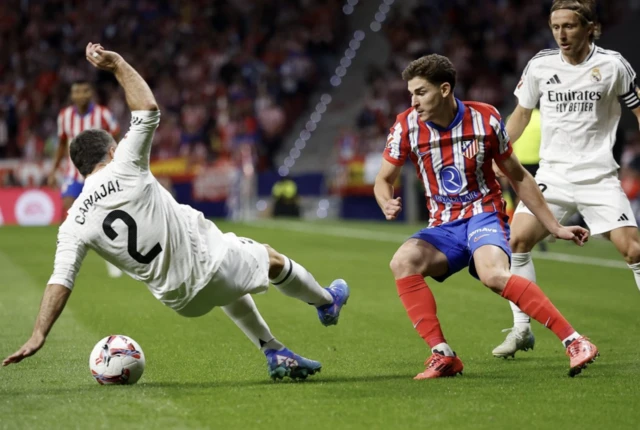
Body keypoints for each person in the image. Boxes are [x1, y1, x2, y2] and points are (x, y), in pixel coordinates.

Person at [2, 44, 350, 381]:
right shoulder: (124, 163)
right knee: (270, 259)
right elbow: (148, 108)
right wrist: (118, 64)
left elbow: (59, 282)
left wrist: (38, 334)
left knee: (230, 275)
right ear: (110, 150)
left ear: (78, 169)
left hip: (181, 300)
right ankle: (326, 301)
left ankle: (274, 351)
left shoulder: (73, 223)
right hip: (210, 265)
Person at [374, 53, 598, 379]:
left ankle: (575, 341)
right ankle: (442, 354)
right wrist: (385, 201)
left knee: (493, 274)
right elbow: (384, 179)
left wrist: (555, 226)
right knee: (402, 262)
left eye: (421, 92)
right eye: (411, 93)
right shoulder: (405, 125)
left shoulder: (486, 119)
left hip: (484, 214)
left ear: (445, 89)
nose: (414, 101)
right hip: (443, 226)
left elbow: (518, 176)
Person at [492, 0, 640, 358]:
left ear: (590, 28)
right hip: (552, 176)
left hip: (598, 176)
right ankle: (521, 330)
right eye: (556, 26)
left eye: (570, 26)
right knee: (518, 241)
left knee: (633, 250)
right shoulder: (541, 65)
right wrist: (499, 151)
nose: (561, 34)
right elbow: (521, 115)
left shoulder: (613, 65)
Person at [48, 79, 124, 278]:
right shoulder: (64, 116)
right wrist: (53, 169)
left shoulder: (104, 114)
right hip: (73, 172)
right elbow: (62, 144)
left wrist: (118, 161)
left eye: (85, 90)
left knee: (105, 213)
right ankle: (68, 258)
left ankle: (111, 256)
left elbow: (118, 137)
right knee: (67, 207)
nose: (81, 95)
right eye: (77, 91)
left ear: (90, 93)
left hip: (100, 172)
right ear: (72, 95)